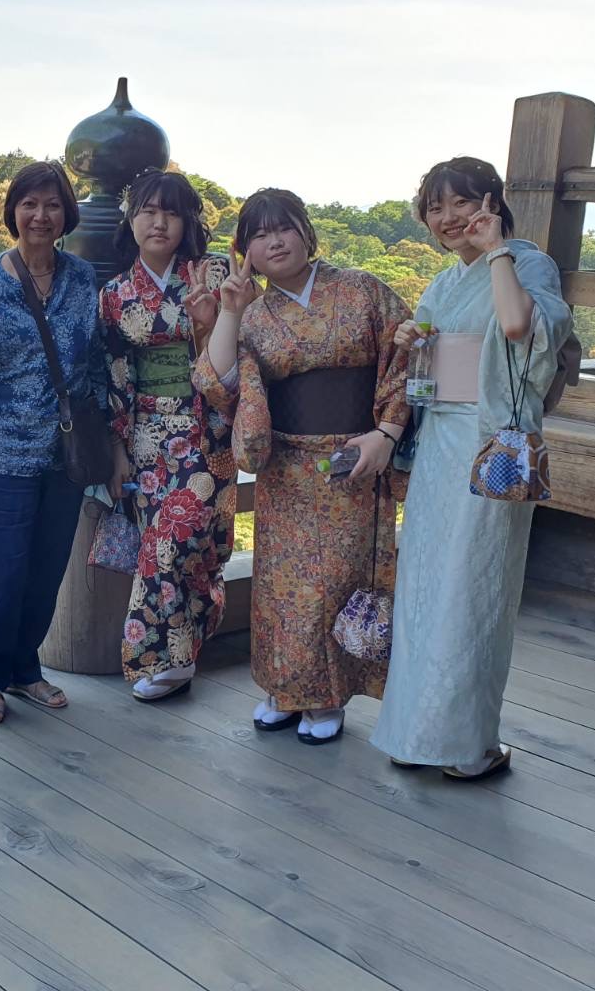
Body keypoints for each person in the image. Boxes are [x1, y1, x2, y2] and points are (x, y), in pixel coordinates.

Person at [371, 158, 573, 780]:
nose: (449, 218)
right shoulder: (442, 282)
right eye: (435, 208)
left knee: (476, 586)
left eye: (461, 202)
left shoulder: (527, 263)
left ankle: (464, 744)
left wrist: (497, 252)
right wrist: (412, 342)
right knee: (424, 585)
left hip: (492, 446)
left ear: (491, 200)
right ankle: (415, 733)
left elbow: (518, 327)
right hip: (439, 443)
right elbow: (426, 365)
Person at [195, 188, 410, 746]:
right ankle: (285, 689)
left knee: (338, 583)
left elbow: (405, 358)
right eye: (260, 234)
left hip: (357, 458)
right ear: (244, 250)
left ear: (306, 233)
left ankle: (327, 695)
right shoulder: (253, 314)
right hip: (287, 466)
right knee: (282, 587)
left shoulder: (362, 289)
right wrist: (230, 311)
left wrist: (387, 433)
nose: (274, 241)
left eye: (284, 228)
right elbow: (217, 384)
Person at [0, 160, 105, 726]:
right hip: (1, 452)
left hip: (66, 454)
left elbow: (96, 362)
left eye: (52, 204)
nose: (41, 215)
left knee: (47, 568)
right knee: (5, 570)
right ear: (13, 211)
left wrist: (108, 438)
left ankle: (23, 666)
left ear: (66, 214)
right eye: (30, 204)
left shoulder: (83, 279)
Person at [100, 171, 236, 702]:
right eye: (149, 211)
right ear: (131, 220)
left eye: (172, 213)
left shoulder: (213, 273)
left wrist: (207, 325)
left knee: (183, 547)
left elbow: (237, 349)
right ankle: (174, 658)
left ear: (187, 222)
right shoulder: (115, 294)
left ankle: (171, 652)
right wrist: (117, 450)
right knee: (163, 550)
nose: (159, 223)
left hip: (205, 431)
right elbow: (117, 376)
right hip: (146, 438)